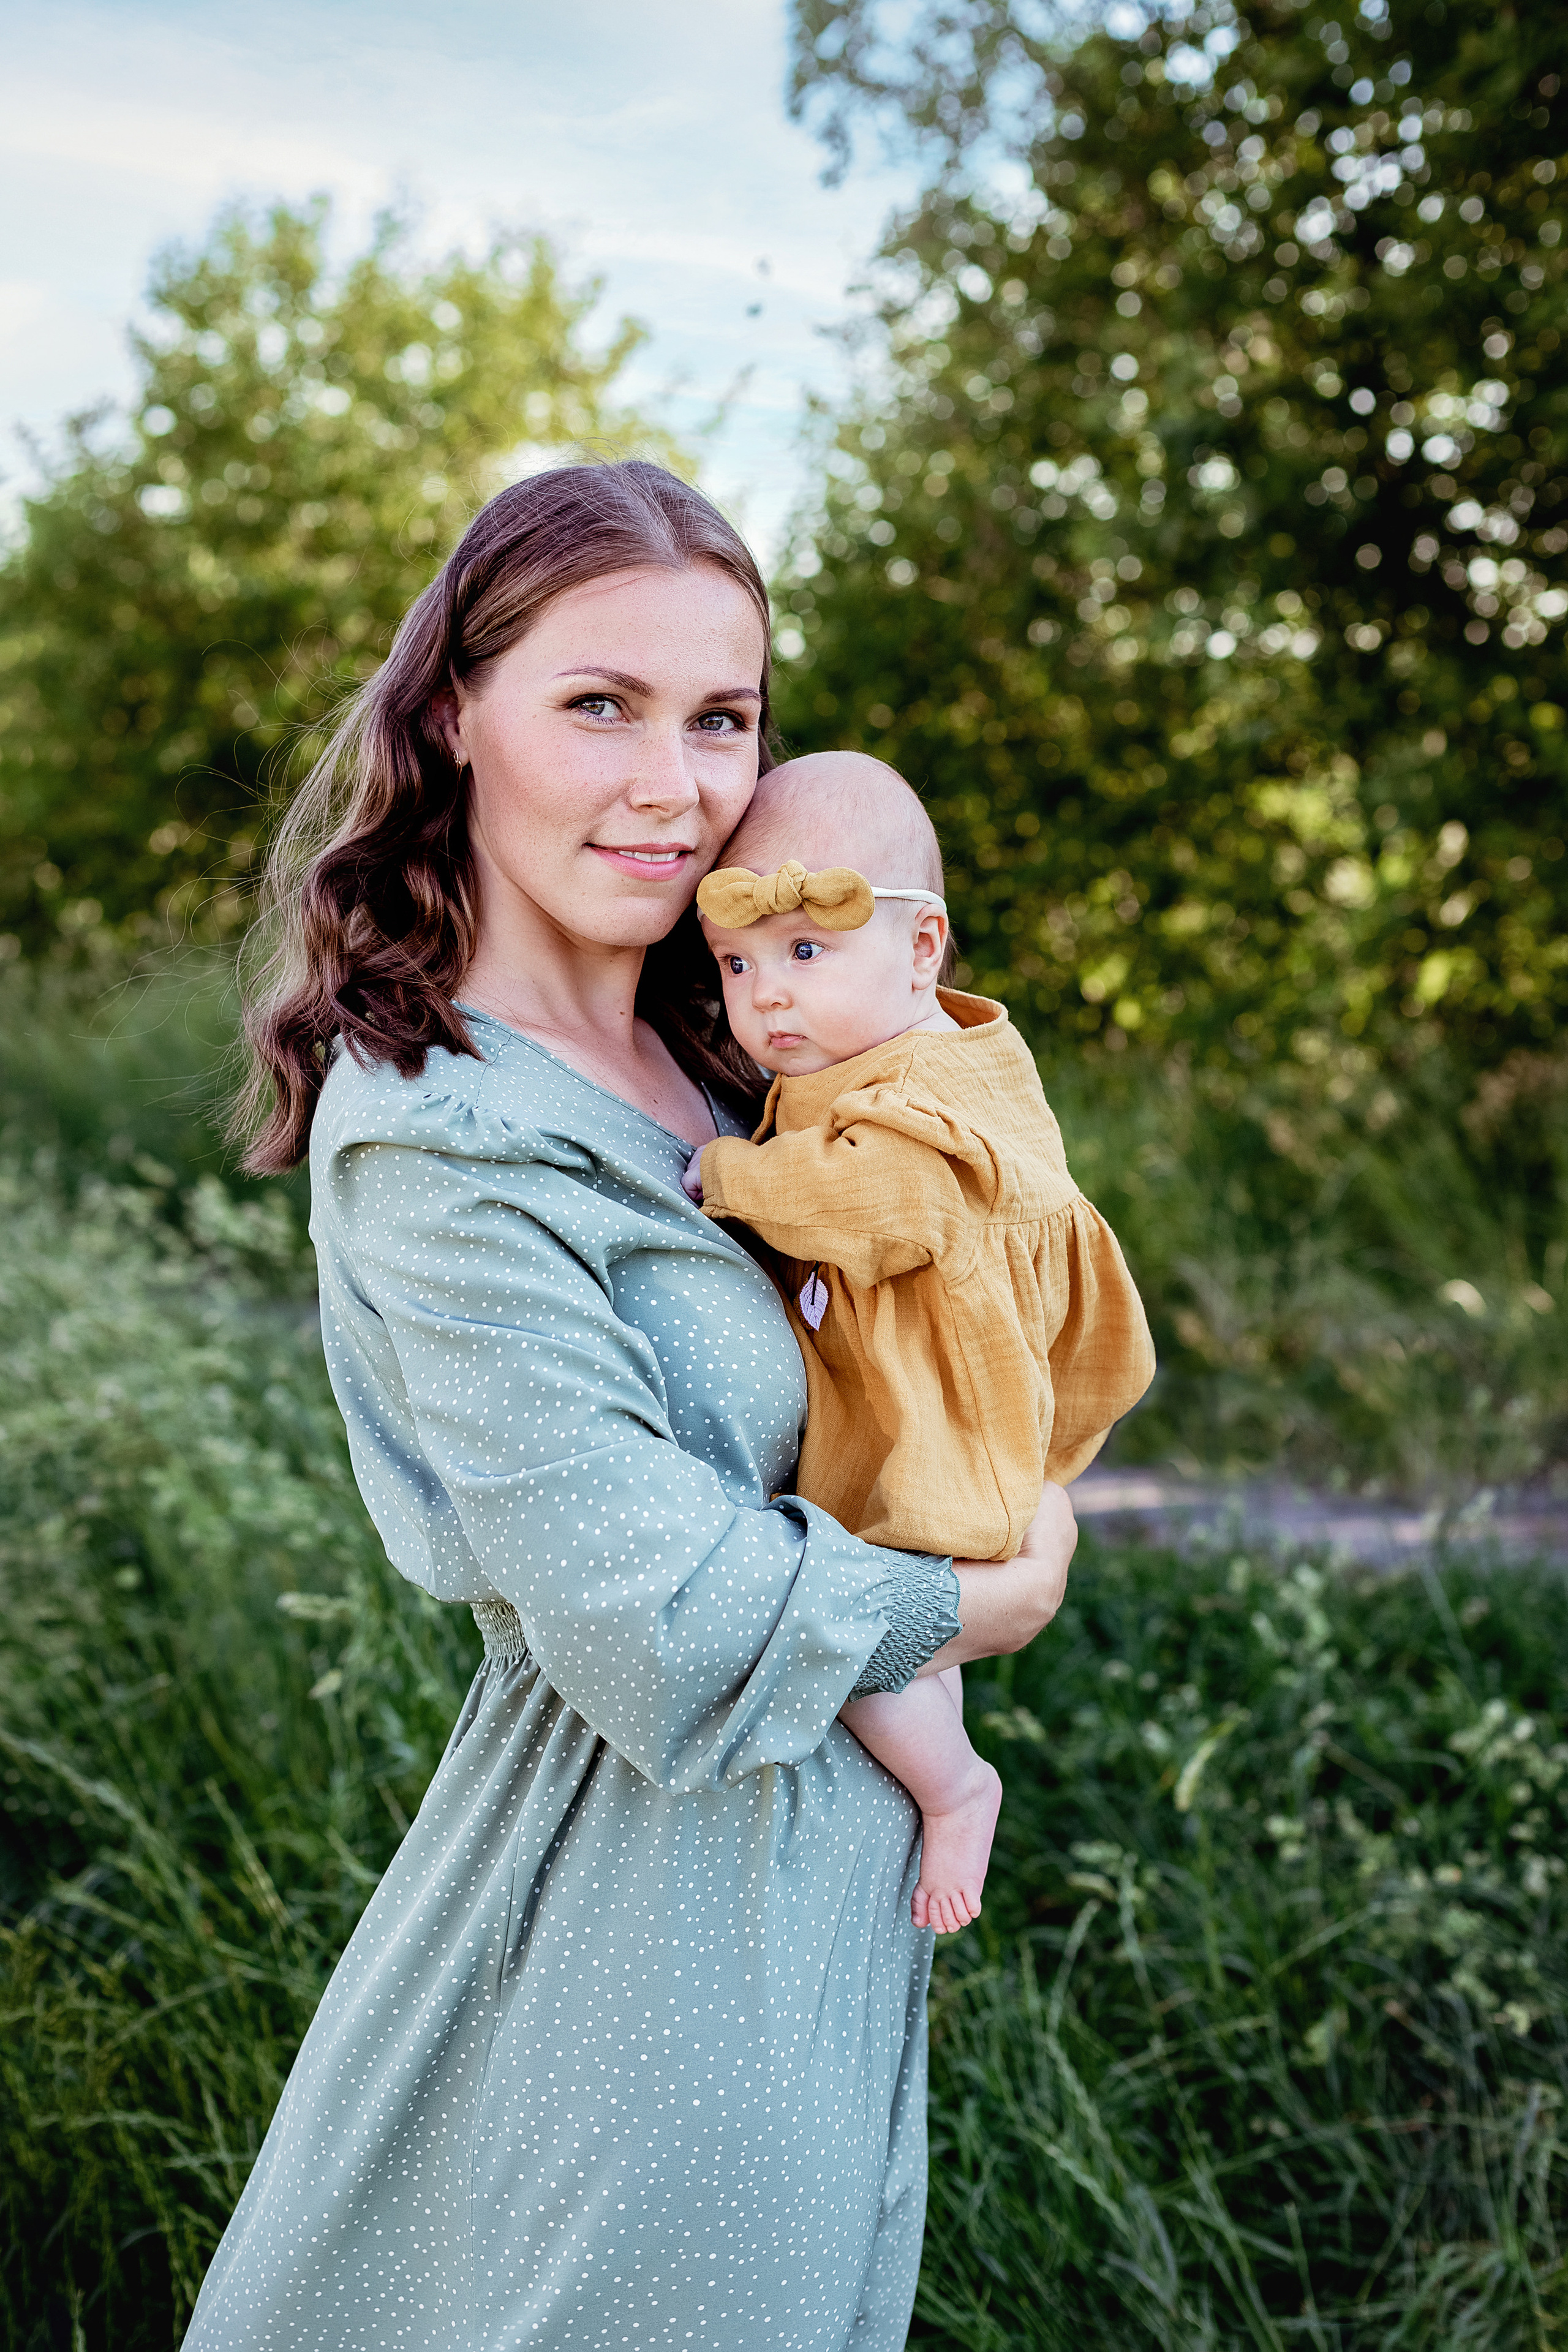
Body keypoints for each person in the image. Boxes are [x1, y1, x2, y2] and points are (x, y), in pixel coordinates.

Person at [186, 460, 1078, 2352]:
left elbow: (966, 1285)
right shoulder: (444, 1133)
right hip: (649, 1928)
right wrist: (983, 1597)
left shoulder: (733, 1048)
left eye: (722, 717)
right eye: (600, 704)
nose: (673, 783)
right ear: (456, 716)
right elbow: (655, 1619)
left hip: (825, 1880)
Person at [682, 752, 1155, 1937]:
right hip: (914, 1384)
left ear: (923, 947)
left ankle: (956, 1790)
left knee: (869, 1628)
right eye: (739, 965)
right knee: (887, 1621)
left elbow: (872, 1209)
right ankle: (947, 1763)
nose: (768, 997)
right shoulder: (879, 1051)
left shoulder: (921, 1096)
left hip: (940, 1411)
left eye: (805, 952)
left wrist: (729, 1174)